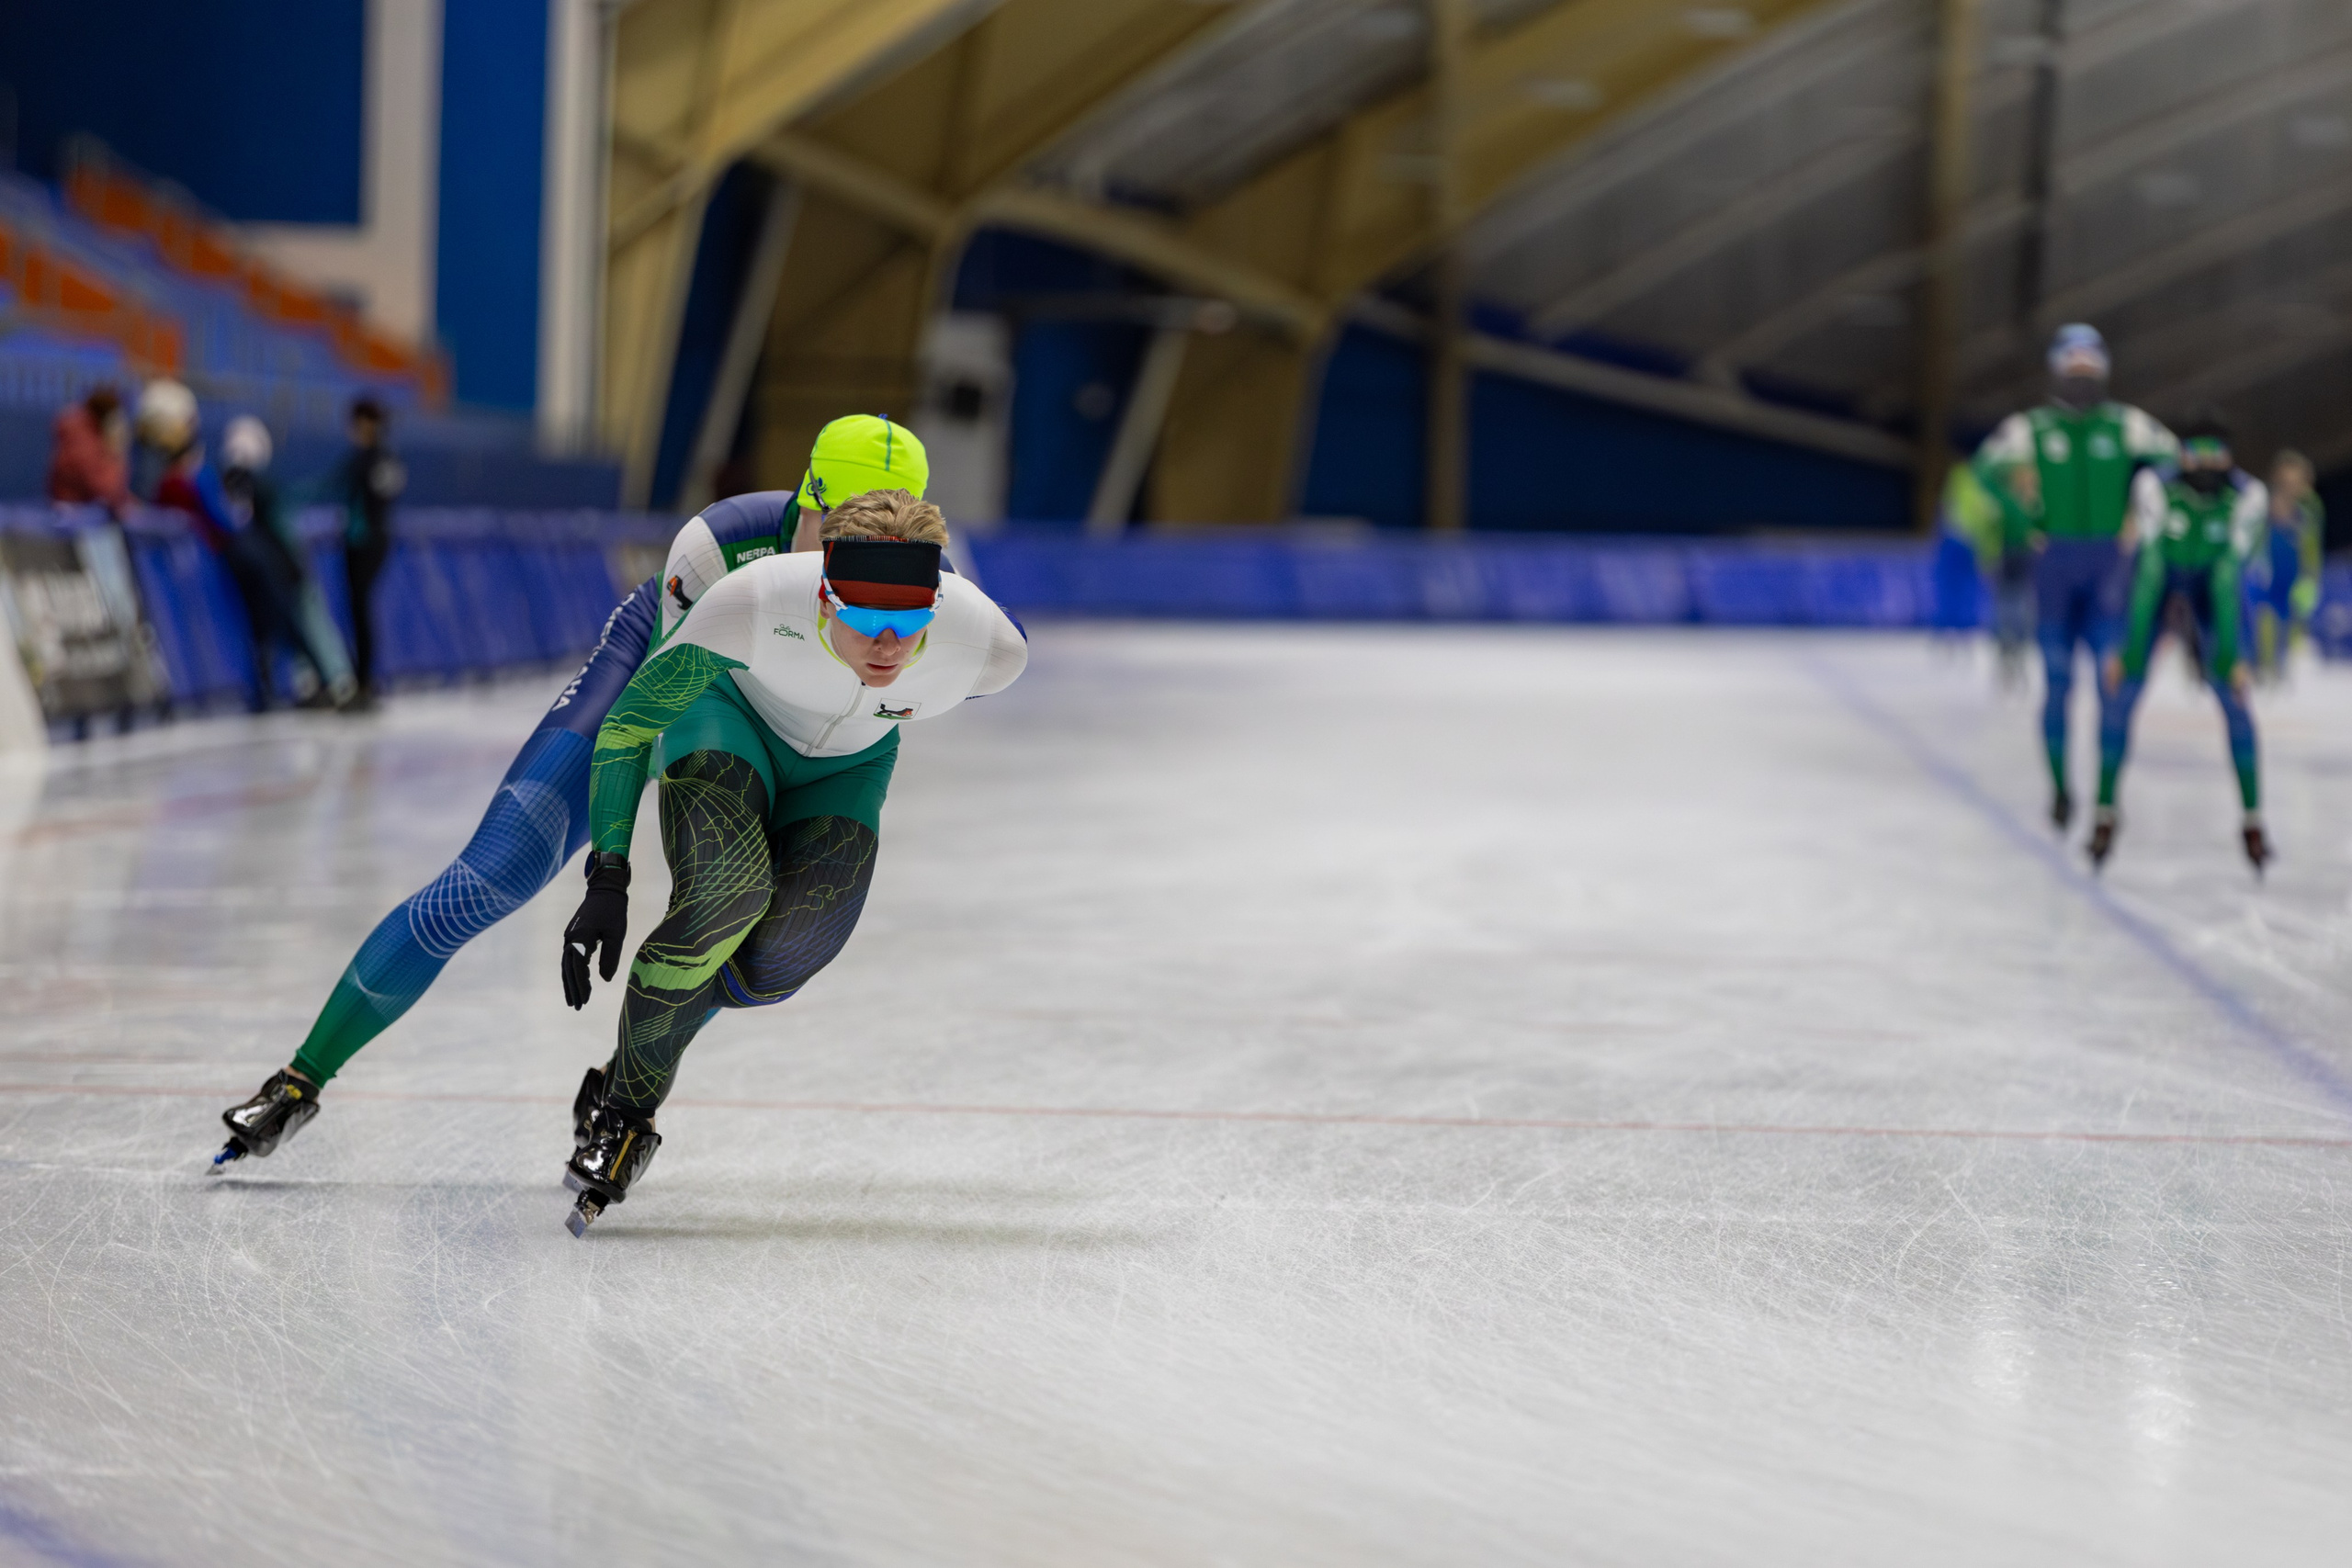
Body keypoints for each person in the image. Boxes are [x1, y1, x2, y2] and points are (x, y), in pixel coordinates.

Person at [213, 414, 932, 1167]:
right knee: (489, 878)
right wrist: (609, 871)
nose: (854, 574)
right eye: (840, 544)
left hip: (769, 719)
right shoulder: (722, 544)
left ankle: (626, 1075)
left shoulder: (924, 592)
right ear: (807, 499)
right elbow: (645, 715)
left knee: (746, 926)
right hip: (661, 680)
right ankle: (300, 1077)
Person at [555, 487, 1027, 1235]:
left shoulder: (988, 650)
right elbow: (628, 724)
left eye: (910, 625)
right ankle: (625, 1116)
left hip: (845, 767)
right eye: (866, 619)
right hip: (729, 719)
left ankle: (633, 1057)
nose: (889, 646)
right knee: (724, 896)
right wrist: (608, 872)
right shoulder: (750, 603)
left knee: (778, 959)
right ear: (821, 593)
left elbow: (947, 654)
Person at [1972, 324, 2177, 831]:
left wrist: (2142, 509)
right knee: (2058, 682)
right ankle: (2061, 789)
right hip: (2054, 568)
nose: (2082, 378)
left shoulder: (2125, 425)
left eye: (2090, 370)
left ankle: (2108, 797)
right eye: (2073, 369)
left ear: (2103, 372)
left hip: (2110, 569)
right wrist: (2021, 516)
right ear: (2058, 371)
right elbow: (1981, 470)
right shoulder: (2030, 429)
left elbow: (2178, 462)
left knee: (2113, 687)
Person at [2089, 415, 2268, 873]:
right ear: (2181, 457)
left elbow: (2228, 579)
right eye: (2197, 456)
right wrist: (2130, 652)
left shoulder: (2249, 497)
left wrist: (2230, 657)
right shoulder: (2154, 485)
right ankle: (2105, 810)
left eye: (2216, 457)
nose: (2206, 466)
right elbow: (2148, 574)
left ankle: (2252, 818)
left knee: (2235, 700)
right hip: (2162, 580)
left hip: (2212, 590)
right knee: (2121, 693)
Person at [137, 381, 343, 714]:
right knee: (271, 621)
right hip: (249, 552)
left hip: (245, 553)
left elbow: (217, 517)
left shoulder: (190, 478)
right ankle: (296, 684)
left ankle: (317, 681)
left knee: (277, 619)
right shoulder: (191, 477)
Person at [332, 396, 405, 709]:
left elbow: (373, 497)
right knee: (357, 609)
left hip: (367, 542)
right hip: (364, 540)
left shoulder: (372, 460)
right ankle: (361, 678)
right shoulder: (376, 459)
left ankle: (364, 681)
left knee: (360, 608)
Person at [2248, 449, 2324, 682]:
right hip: (2266, 572)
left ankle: (2281, 666)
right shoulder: (2261, 503)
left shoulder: (2311, 509)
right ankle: (2262, 665)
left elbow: (2313, 550)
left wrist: (2311, 579)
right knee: (2264, 618)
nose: (2290, 487)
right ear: (2276, 480)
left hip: (2294, 575)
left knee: (2290, 621)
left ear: (2306, 484)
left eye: (2296, 482)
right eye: (2285, 482)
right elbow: (2252, 540)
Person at [47, 386, 131, 514]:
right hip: (77, 517)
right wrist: (117, 454)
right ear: (108, 418)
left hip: (81, 512)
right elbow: (108, 491)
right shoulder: (82, 443)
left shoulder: (84, 436)